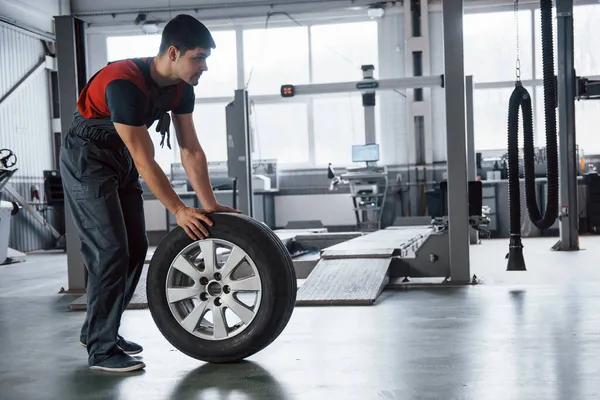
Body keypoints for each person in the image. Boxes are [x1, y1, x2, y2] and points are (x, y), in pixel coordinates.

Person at [60, 14, 239, 373]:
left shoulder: (181, 88)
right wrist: (177, 209)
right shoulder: (123, 84)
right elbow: (145, 160)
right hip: (87, 158)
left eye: (206, 60)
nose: (203, 67)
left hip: (121, 156)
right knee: (110, 250)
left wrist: (207, 205)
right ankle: (101, 351)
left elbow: (189, 149)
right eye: (198, 58)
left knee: (136, 248)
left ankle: (100, 329)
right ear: (173, 53)